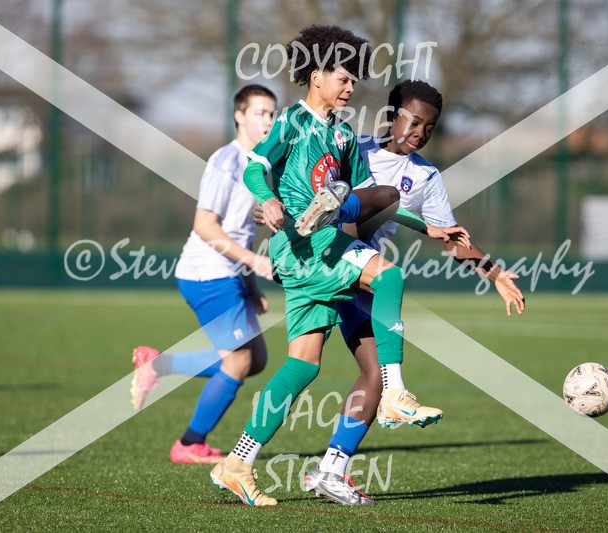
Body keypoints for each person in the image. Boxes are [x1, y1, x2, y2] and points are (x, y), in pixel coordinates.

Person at [209, 25, 467, 507]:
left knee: (301, 367)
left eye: (354, 80)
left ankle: (237, 462)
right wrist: (266, 200)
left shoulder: (344, 135)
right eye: (344, 78)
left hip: (319, 253)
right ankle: (393, 391)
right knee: (389, 276)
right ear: (316, 75)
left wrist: (423, 226)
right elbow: (254, 166)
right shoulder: (290, 122)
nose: (351, 88)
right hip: (307, 248)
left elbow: (372, 198)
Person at [301, 79, 526, 505]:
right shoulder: (355, 148)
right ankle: (387, 405)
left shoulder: (425, 176)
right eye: (414, 121)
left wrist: (492, 271)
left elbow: (452, 237)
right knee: (304, 368)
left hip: (362, 273)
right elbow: (312, 184)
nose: (420, 132)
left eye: (430, 127)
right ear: (392, 117)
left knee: (369, 372)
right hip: (329, 259)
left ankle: (330, 468)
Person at [130, 84, 277, 464]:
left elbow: (238, 229)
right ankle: (190, 443)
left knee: (254, 359)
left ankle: (158, 365)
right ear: (239, 116)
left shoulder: (260, 164)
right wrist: (256, 263)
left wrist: (249, 281)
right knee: (238, 361)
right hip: (207, 272)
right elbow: (206, 227)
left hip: (229, 272)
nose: (268, 120)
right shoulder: (226, 161)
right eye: (260, 112)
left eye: (272, 114)